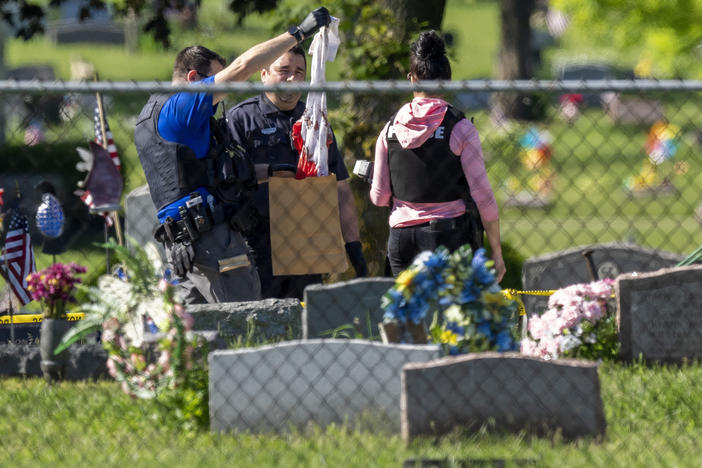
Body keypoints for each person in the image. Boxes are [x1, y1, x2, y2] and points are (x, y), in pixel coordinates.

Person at [134, 7, 332, 304]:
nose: (221, 95)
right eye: (216, 82)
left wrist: (267, 171)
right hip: (212, 242)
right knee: (246, 314)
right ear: (192, 78)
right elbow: (243, 66)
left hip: (180, 245)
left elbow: (194, 174)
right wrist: (298, 33)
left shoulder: (150, 114)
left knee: (194, 332)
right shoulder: (185, 105)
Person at [226, 45, 367, 299]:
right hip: (258, 247)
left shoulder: (316, 121)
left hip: (308, 246)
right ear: (264, 74)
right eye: (284, 70)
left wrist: (353, 244)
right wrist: (270, 172)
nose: (292, 78)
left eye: (299, 72)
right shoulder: (240, 120)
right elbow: (229, 180)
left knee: (308, 325)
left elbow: (340, 187)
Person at [369, 30, 506, 282]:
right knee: (449, 314)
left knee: (408, 315)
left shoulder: (389, 130)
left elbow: (379, 198)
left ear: (411, 79)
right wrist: (496, 251)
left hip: (402, 240)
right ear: (448, 82)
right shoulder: (460, 128)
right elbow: (483, 196)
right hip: (447, 237)